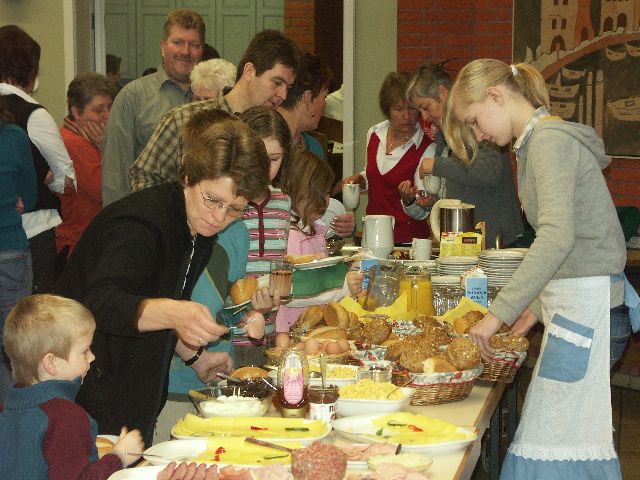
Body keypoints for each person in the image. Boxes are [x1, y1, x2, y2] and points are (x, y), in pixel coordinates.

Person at [444, 59, 626, 479]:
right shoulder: (536, 142)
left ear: (495, 96)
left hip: (590, 313)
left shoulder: (547, 142)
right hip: (579, 309)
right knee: (559, 447)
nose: (479, 134)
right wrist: (537, 308)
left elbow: (558, 238)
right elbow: (576, 244)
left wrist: (498, 314)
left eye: (474, 122)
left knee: (553, 449)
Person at [55, 119, 270, 446]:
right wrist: (174, 312)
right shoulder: (140, 225)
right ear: (188, 176)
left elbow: (151, 303)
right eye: (213, 199)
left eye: (234, 209)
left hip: (128, 380)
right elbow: (97, 303)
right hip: (81, 384)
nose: (218, 217)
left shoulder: (198, 226)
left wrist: (195, 357)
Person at [128, 29, 301, 194]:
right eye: (277, 83)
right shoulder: (183, 119)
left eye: (288, 87)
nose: (283, 95)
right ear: (249, 71)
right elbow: (144, 178)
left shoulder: (276, 131)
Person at [0, 294, 144, 479]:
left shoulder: (7, 409)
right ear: (51, 363)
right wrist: (119, 457)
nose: (92, 357)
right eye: (84, 351)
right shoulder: (66, 418)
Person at [399, 61, 522, 249]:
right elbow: (460, 182)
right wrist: (435, 201)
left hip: (494, 242)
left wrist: (436, 166)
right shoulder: (444, 134)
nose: (424, 117)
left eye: (426, 107)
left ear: (443, 93)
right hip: (465, 241)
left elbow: (490, 172)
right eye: (420, 111)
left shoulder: (480, 124)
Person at [0, 25, 77, 294]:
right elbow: (66, 181)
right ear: (32, 72)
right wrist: (43, 176)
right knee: (33, 312)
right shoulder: (34, 115)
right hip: (31, 234)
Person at [101, 9, 205, 205]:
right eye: (177, 42)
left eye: (194, 45)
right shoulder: (133, 97)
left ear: (202, 50)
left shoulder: (215, 99)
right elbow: (115, 171)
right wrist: (118, 219)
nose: (185, 52)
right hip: (149, 212)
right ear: (163, 46)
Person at [276, 151, 363, 332]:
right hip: (292, 328)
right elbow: (291, 293)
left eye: (328, 194)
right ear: (303, 192)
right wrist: (343, 287)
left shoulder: (314, 230)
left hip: (311, 326)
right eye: (322, 194)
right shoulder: (291, 236)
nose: (327, 201)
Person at [342, 71, 432, 244]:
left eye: (412, 108)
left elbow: (422, 212)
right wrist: (361, 180)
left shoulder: (427, 149)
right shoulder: (374, 134)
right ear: (387, 110)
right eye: (399, 109)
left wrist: (409, 200)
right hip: (372, 237)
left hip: (408, 243)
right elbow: (375, 176)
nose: (406, 116)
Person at [0, 98, 37, 403]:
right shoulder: (13, 136)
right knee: (15, 345)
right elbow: (30, 195)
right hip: (9, 249)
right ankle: (16, 415)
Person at [57, 73, 116, 262]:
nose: (107, 115)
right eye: (99, 110)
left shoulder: (76, 138)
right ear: (76, 112)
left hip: (85, 242)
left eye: (109, 107)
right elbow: (108, 192)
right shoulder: (74, 143)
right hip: (78, 246)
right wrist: (106, 148)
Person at [277, 52, 332, 159]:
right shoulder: (264, 144)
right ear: (308, 98)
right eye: (324, 97)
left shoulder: (314, 147)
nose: (325, 105)